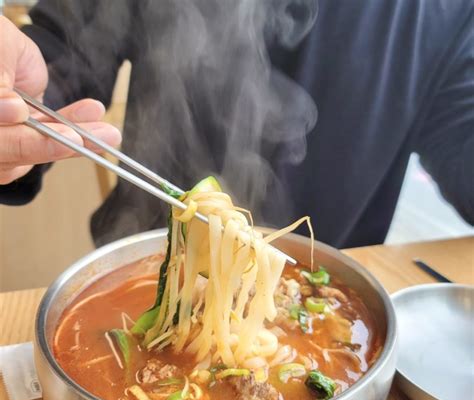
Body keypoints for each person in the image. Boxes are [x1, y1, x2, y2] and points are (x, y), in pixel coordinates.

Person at [0, 0, 472, 249]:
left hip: (328, 293)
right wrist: (22, 107)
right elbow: (60, 53)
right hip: (144, 264)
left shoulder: (445, 9)